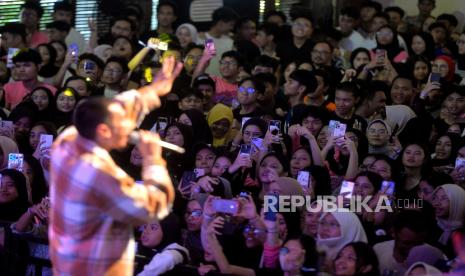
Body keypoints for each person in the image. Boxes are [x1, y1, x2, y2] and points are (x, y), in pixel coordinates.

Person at [48, 57, 182, 275]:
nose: (131, 126)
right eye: (123, 124)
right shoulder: (99, 174)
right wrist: (153, 160)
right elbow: (154, 207)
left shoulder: (68, 141)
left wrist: (153, 91)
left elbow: (117, 106)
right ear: (103, 131)